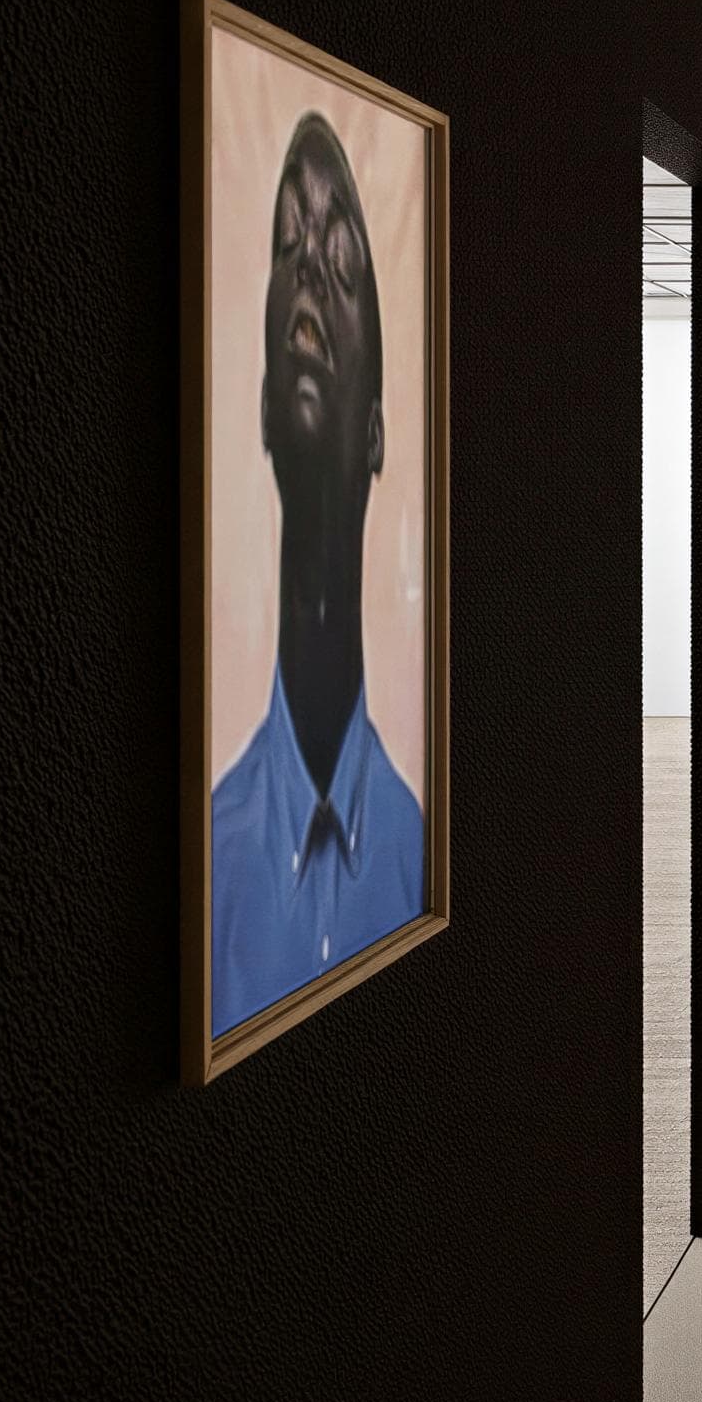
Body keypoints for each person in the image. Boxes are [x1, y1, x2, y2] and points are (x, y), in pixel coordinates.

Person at [209, 113, 425, 1035]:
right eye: (292, 241)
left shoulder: (424, 854)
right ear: (262, 407)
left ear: (376, 431)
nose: (307, 265)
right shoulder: (208, 860)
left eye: (342, 262)